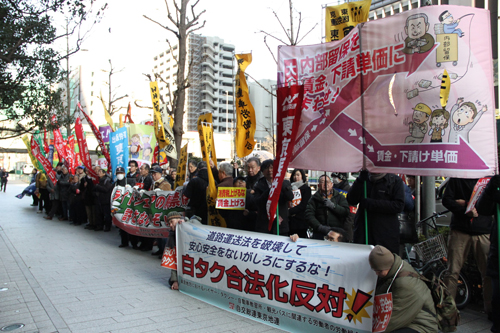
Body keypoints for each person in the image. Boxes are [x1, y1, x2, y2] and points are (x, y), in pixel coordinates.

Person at [442, 177, 492, 317]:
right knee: (452, 271)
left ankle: (491, 310)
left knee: (487, 273)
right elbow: (447, 200)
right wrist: (465, 208)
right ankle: (448, 311)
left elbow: (492, 203)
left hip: (483, 230)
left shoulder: (488, 178)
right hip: (460, 229)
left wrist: (466, 203)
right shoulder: (457, 177)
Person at [369, 245, 438, 333]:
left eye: (379, 271)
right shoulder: (395, 267)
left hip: (422, 325)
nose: (376, 273)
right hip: (409, 318)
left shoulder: (404, 283)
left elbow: (393, 320)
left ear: (388, 266)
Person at [347, 171, 405, 254]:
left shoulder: (394, 181)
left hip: (385, 233)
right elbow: (351, 199)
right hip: (363, 231)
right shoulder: (363, 180)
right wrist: (359, 180)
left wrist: (371, 203)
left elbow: (398, 205)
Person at [475, 175, 500, 332]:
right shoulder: (497, 183)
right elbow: (482, 208)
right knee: (498, 298)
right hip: (499, 252)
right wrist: (491, 190)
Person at [250, 159, 293, 235]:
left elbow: (290, 197)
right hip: (264, 226)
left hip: (281, 225)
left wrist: (280, 184)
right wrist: (270, 190)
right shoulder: (259, 185)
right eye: (266, 168)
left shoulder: (285, 183)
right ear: (262, 171)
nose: (269, 170)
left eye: (272, 168)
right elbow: (257, 203)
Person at [306, 175, 349, 240]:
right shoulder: (314, 199)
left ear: (332, 184)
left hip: (336, 233)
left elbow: (345, 211)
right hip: (319, 233)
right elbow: (309, 215)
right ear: (318, 185)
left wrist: (333, 206)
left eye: (328, 182)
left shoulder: (339, 197)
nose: (326, 184)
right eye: (322, 182)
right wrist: (319, 227)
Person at [165, 212, 201, 290]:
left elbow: (200, 228)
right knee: (171, 281)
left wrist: (186, 225)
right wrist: (175, 280)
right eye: (169, 223)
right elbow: (173, 260)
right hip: (186, 263)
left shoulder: (191, 222)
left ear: (178, 219)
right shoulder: (172, 235)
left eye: (172, 222)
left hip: (198, 261)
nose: (170, 225)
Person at [331, 172, 355, 241]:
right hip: (334, 224)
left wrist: (347, 225)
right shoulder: (333, 189)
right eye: (333, 177)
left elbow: (352, 208)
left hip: (345, 225)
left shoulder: (348, 190)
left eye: (336, 177)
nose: (334, 179)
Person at [288, 169, 312, 238]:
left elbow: (304, 204)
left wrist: (290, 211)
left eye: (298, 175)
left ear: (302, 176)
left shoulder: (306, 189)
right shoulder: (289, 188)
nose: (296, 177)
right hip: (290, 220)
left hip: (300, 220)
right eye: (294, 175)